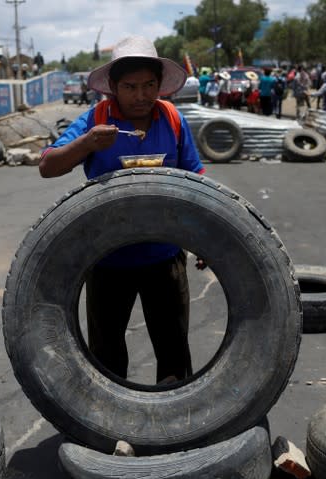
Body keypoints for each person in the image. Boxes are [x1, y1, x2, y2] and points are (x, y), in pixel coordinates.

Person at [39, 35, 205, 383]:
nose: (141, 96)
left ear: (160, 85)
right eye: (130, 87)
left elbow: (197, 182)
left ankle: (176, 423)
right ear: (112, 87)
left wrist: (208, 238)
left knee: (173, 347)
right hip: (107, 258)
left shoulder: (172, 118)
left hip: (165, 254)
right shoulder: (96, 119)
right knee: (106, 350)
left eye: (149, 85)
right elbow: (48, 166)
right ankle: (111, 426)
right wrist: (87, 143)